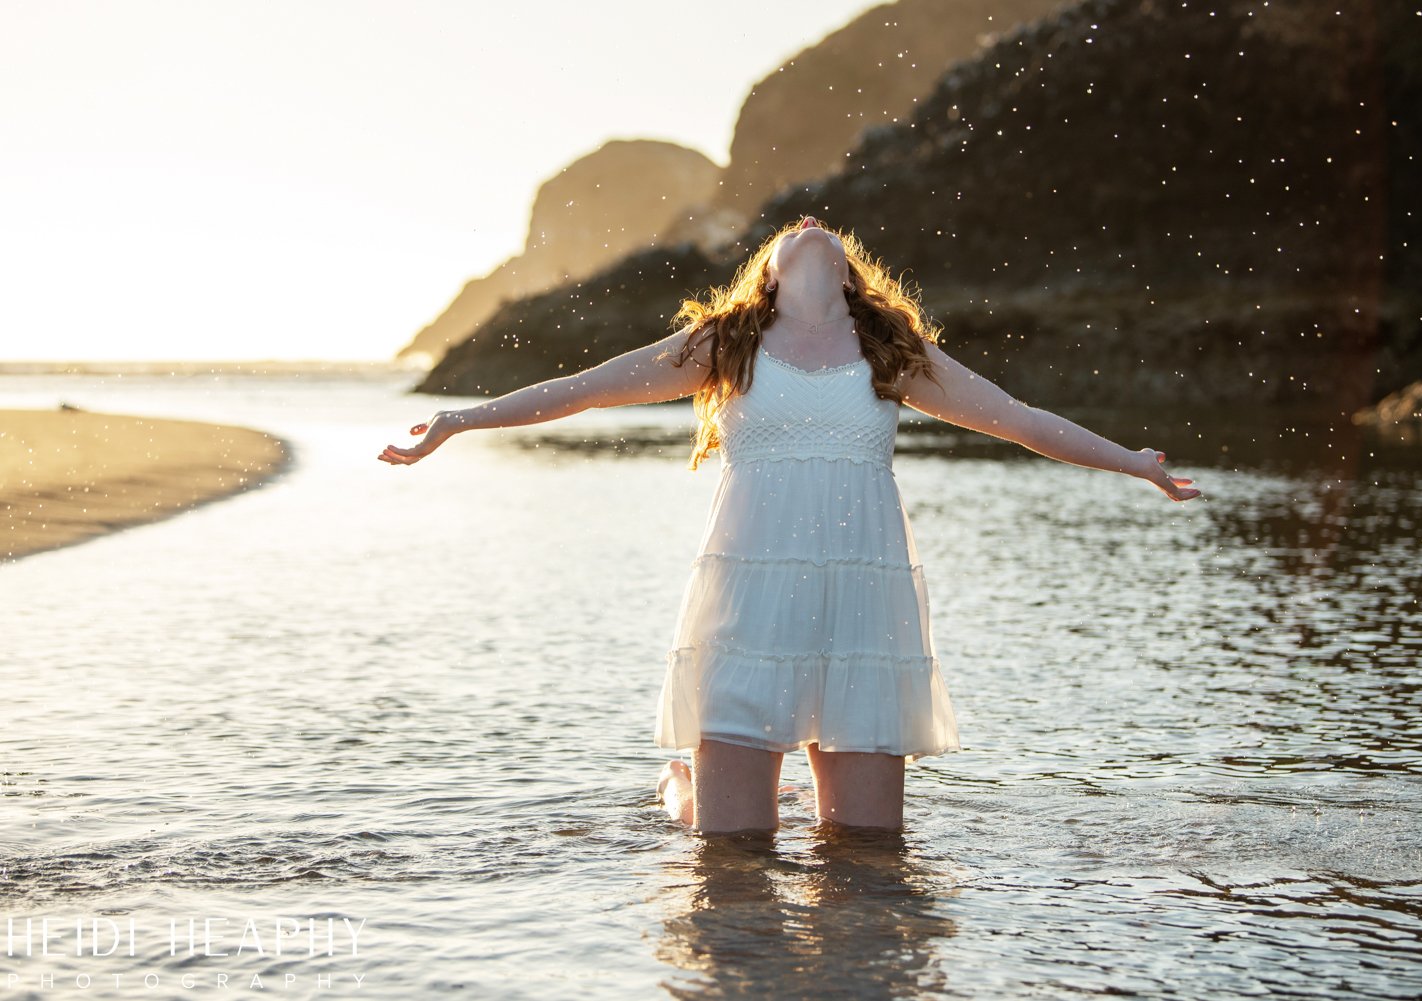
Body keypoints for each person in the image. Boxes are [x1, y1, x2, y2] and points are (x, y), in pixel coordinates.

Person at [379, 215, 1201, 836]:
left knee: (869, 855)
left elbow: (1018, 418)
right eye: (791, 231)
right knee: (731, 857)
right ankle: (686, 788)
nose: (810, 224)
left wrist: (1134, 461)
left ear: (850, 278)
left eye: (827, 232)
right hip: (747, 611)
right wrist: (459, 418)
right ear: (765, 277)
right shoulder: (729, 343)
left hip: (861, 619)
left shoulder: (892, 351)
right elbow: (591, 387)